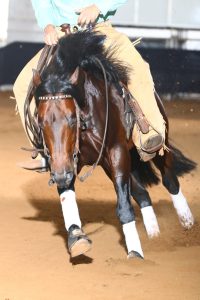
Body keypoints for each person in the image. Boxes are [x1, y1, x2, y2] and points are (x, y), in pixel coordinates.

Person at [14, 0, 166, 170]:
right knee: (21, 86)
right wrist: (48, 25)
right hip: (62, 36)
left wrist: (98, 7)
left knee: (137, 69)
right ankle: (44, 149)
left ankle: (149, 130)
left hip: (99, 30)